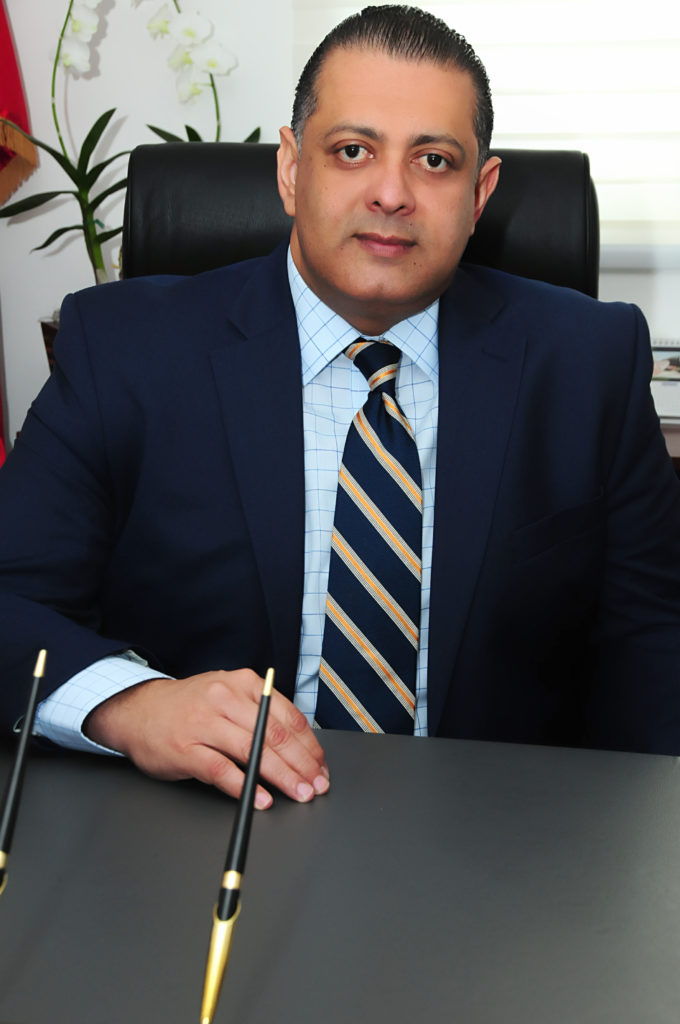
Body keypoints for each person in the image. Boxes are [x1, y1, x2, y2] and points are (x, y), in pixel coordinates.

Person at [0, 5, 679, 808]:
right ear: (292, 170)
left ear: (480, 193)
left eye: (434, 160)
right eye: (353, 151)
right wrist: (132, 704)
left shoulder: (588, 361)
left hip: (502, 829)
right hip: (205, 816)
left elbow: (652, 642)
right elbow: (11, 600)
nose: (391, 193)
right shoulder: (127, 350)